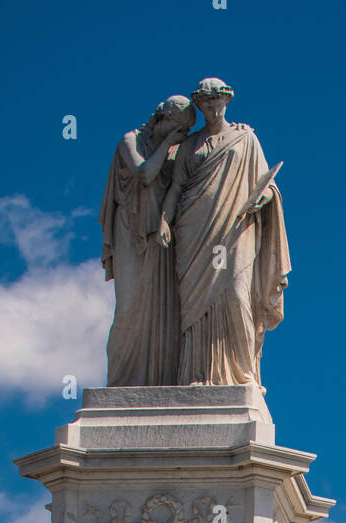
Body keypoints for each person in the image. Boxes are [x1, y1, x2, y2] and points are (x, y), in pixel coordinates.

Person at [160, 77, 290, 386]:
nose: (212, 108)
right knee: (195, 304)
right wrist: (165, 220)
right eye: (206, 103)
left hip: (236, 227)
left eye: (217, 102)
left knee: (235, 294)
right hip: (193, 228)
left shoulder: (245, 139)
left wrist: (264, 197)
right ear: (200, 105)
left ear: (226, 102)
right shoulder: (189, 145)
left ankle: (243, 375)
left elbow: (267, 184)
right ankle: (197, 374)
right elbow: (177, 187)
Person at [100, 96, 196, 385]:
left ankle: (159, 380)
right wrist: (168, 145)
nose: (183, 136)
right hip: (131, 229)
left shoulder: (178, 150)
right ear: (164, 119)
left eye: (187, 131)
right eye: (179, 128)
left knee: (163, 309)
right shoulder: (130, 140)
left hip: (162, 235)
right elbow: (144, 174)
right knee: (130, 305)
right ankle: (121, 382)